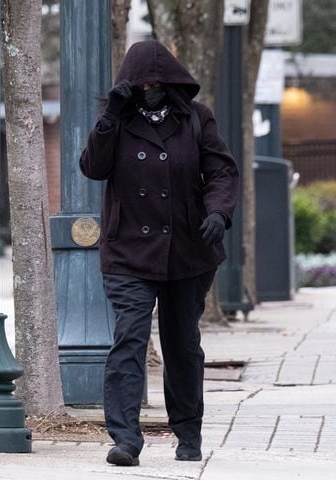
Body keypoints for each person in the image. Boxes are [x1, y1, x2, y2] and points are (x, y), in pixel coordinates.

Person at [79, 40, 239, 467]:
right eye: (142, 81)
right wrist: (111, 116)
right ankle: (125, 439)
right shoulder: (117, 120)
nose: (150, 87)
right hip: (129, 249)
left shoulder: (196, 119)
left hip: (188, 248)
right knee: (129, 338)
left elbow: (221, 170)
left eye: (157, 80)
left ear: (171, 81)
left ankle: (188, 433)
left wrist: (219, 213)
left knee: (182, 342)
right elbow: (92, 167)